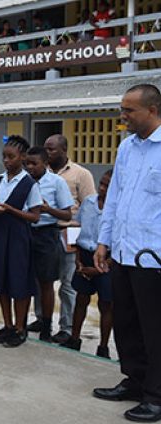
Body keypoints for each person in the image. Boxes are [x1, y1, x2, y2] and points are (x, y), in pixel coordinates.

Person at [93, 84, 161, 423]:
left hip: (154, 259)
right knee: (127, 323)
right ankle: (134, 381)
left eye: (129, 110)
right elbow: (114, 200)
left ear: (151, 110)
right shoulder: (126, 148)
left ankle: (156, 395)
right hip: (122, 252)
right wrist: (103, 243)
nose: (123, 116)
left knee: (155, 328)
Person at [0, 136, 42, 348]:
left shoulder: (29, 184)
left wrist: (11, 210)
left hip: (18, 237)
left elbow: (35, 216)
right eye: (4, 157)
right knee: (1, 282)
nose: (6, 161)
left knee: (19, 283)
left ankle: (20, 327)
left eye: (11, 157)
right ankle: (7, 325)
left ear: (23, 157)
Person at [38, 134, 96, 344]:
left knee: (68, 283)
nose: (48, 152)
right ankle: (41, 319)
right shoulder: (40, 173)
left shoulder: (81, 174)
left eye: (52, 149)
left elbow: (89, 207)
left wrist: (81, 237)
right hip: (46, 231)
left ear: (64, 150)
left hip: (69, 231)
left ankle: (67, 326)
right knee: (42, 280)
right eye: (45, 148)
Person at [25, 146, 74, 342]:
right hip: (26, 232)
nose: (30, 167)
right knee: (26, 280)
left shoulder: (56, 182)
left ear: (45, 164)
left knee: (46, 283)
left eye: (34, 164)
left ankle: (46, 327)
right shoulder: (23, 181)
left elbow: (67, 214)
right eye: (27, 163)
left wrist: (47, 209)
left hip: (46, 234)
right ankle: (22, 322)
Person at [62, 170, 113, 358]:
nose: (102, 188)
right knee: (81, 299)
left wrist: (101, 267)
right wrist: (78, 260)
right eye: (102, 183)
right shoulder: (89, 203)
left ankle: (103, 346)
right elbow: (77, 227)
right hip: (84, 256)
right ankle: (74, 339)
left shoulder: (116, 208)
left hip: (106, 260)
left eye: (108, 186)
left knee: (106, 304)